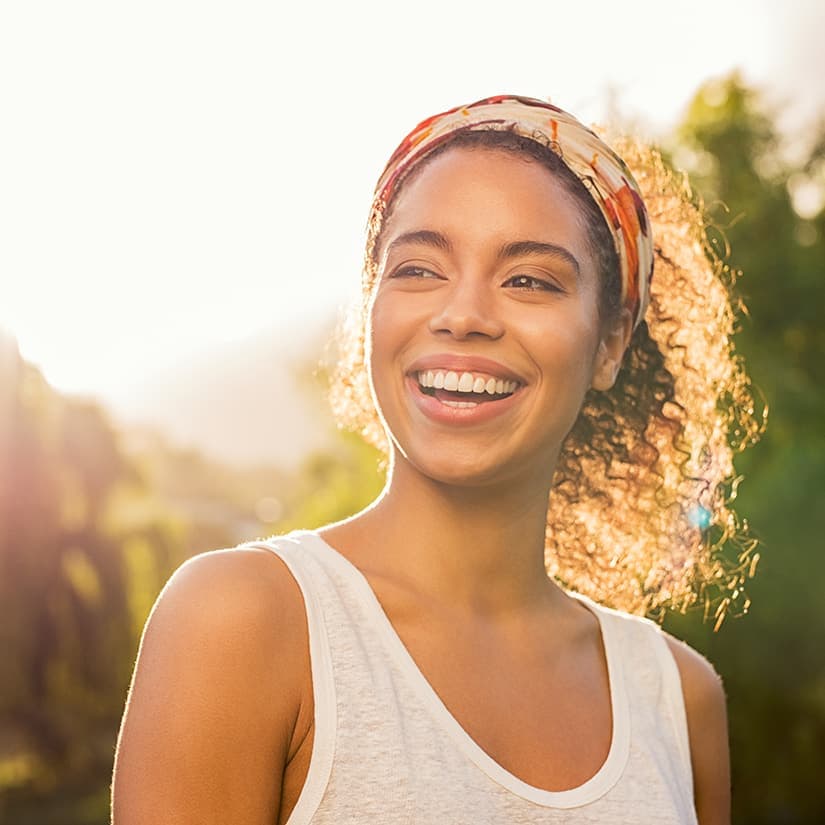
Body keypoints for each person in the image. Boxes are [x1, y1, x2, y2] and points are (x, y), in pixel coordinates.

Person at [111, 95, 761, 824]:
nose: (462, 315)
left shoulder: (677, 698)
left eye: (529, 280)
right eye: (418, 269)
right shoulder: (241, 621)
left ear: (609, 342)